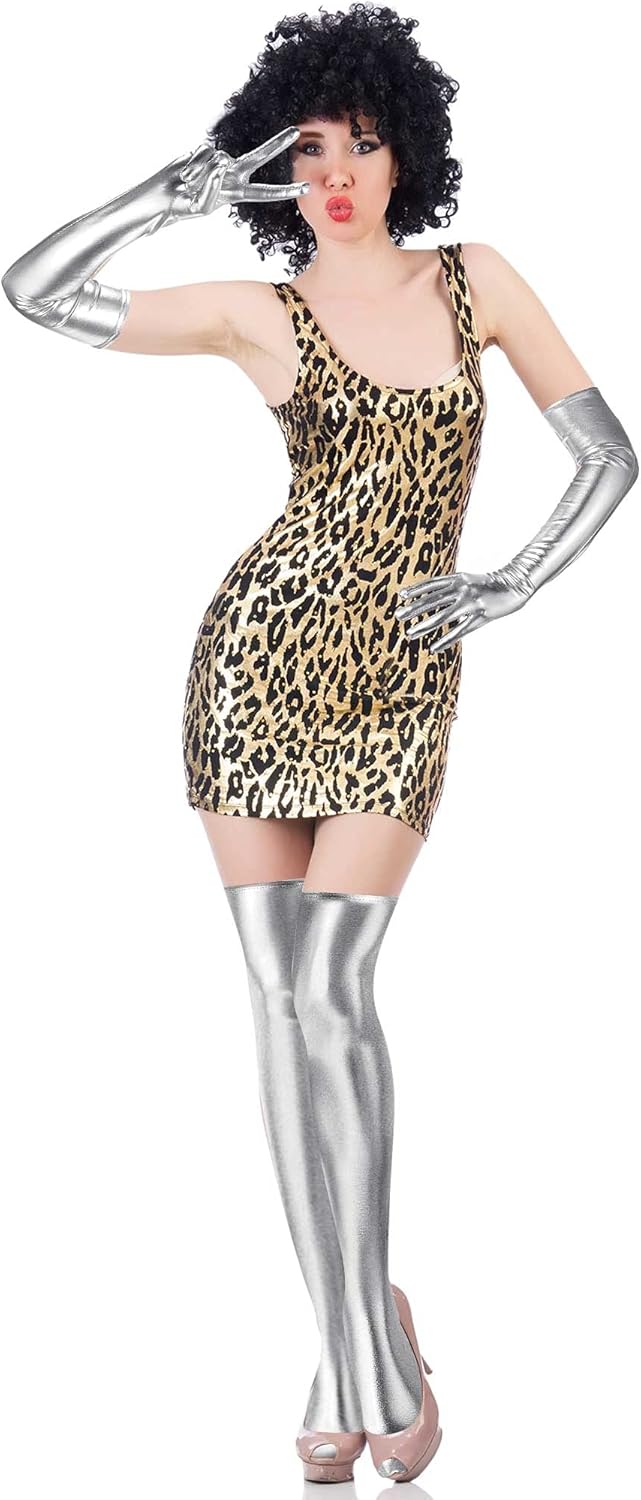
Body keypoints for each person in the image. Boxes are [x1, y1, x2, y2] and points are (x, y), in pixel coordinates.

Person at [3, 2, 637, 1484]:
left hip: (400, 678)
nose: (335, 175)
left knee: (335, 985)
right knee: (281, 1002)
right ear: (275, 165)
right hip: (253, 669)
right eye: (306, 151)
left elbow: (608, 455)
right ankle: (355, 1345)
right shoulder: (257, 312)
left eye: (359, 144)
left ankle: (362, 1345)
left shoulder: (477, 280)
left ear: (406, 150)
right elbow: (31, 292)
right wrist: (162, 194)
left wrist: (512, 582)